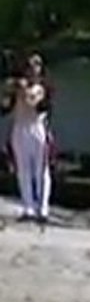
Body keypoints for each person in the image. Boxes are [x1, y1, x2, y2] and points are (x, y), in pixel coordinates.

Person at [1, 53, 54, 223]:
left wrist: (24, 90)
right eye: (30, 65)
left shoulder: (44, 87)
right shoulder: (17, 85)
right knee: (23, 170)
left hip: (37, 129)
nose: (32, 68)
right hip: (20, 128)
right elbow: (4, 108)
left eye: (36, 65)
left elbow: (38, 105)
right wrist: (8, 93)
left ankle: (43, 208)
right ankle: (28, 207)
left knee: (41, 170)